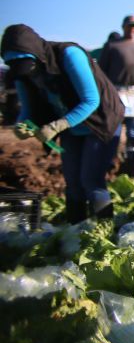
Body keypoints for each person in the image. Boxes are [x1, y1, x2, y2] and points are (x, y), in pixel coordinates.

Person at [1, 24, 124, 223]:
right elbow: (28, 109)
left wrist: (56, 126)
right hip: (70, 125)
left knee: (91, 180)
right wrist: (21, 125)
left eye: (28, 66)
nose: (29, 74)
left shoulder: (69, 55)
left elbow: (91, 100)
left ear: (36, 55)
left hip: (100, 121)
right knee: (73, 181)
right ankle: (75, 229)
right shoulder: (22, 75)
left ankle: (105, 231)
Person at [98, 15, 134, 175]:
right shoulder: (112, 46)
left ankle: (132, 159)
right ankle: (109, 159)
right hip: (116, 93)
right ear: (123, 27)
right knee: (114, 128)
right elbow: (101, 72)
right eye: (130, 26)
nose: (132, 29)